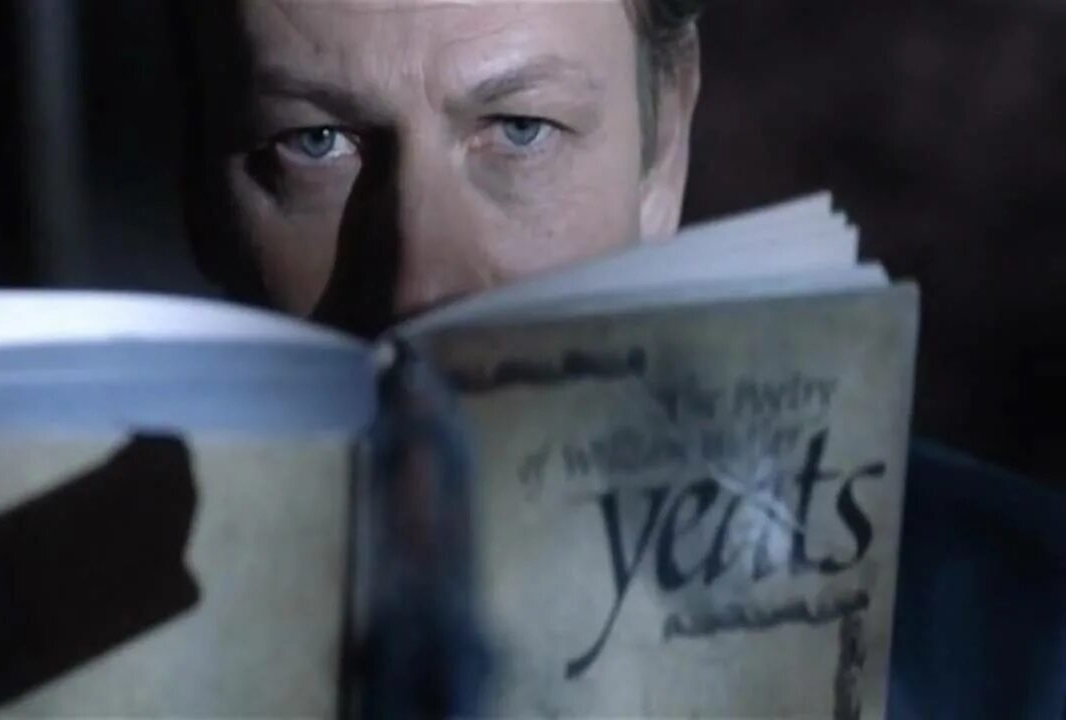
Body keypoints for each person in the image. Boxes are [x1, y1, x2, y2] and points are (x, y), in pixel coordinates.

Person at [169, 1, 1066, 717]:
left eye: (521, 128)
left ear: (664, 144)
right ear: (199, 190)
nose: (421, 281)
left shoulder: (1026, 642)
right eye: (315, 143)